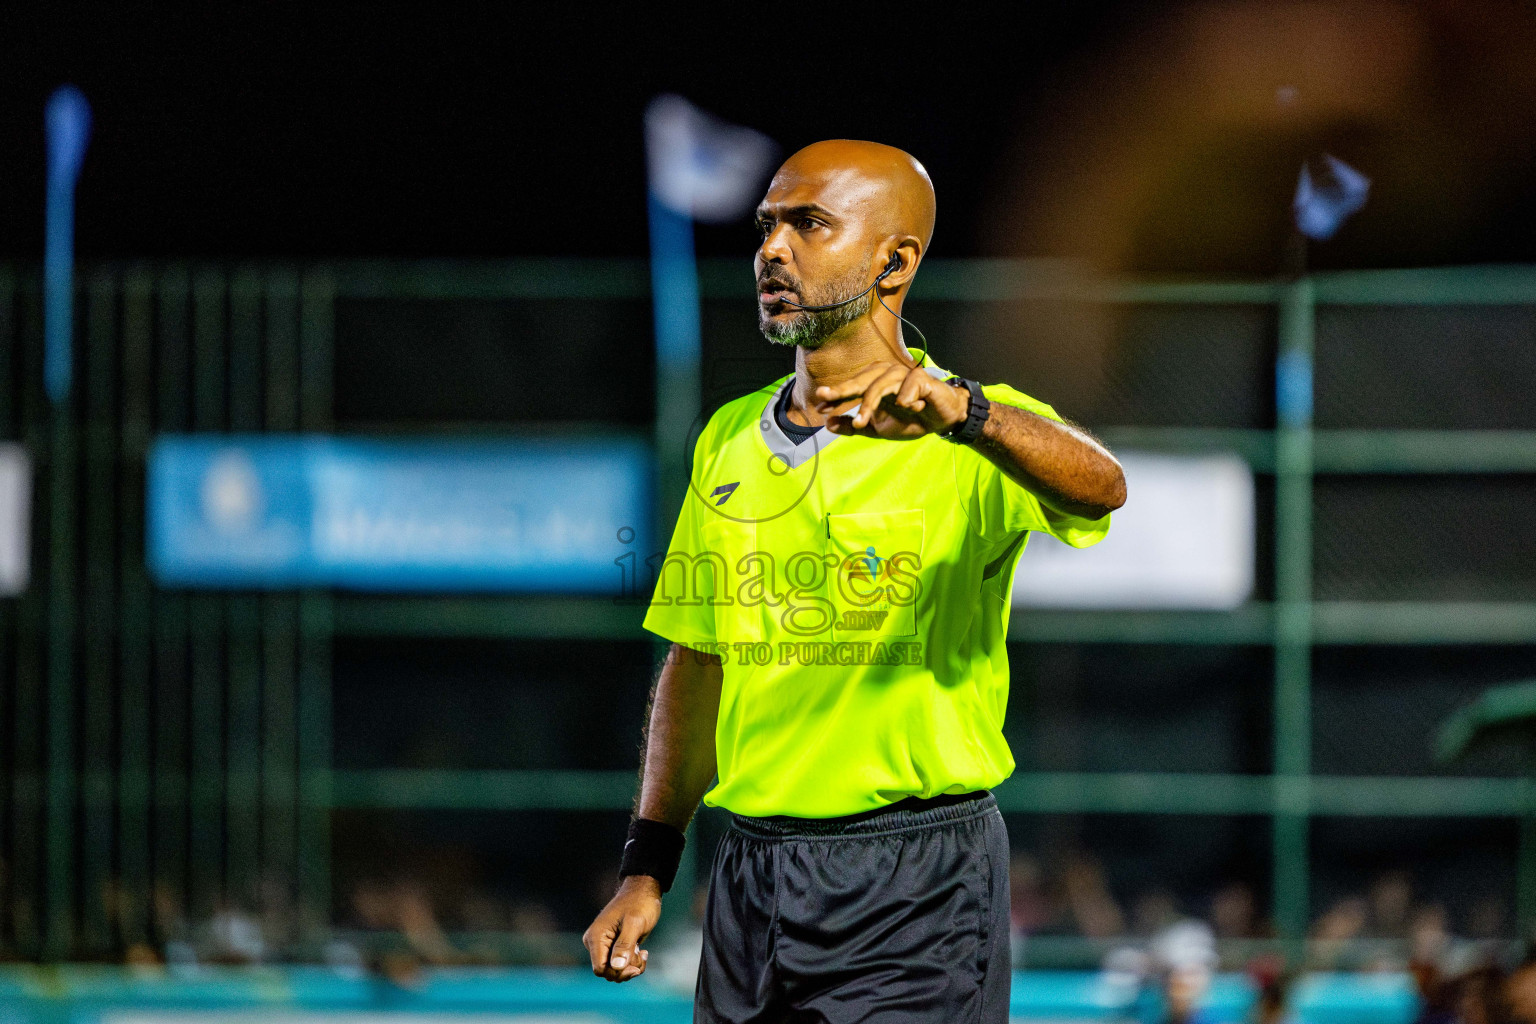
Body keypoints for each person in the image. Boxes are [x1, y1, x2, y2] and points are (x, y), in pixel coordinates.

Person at [582, 139, 1127, 1022]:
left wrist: (973, 416)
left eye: (809, 224)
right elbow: (696, 661)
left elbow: (1104, 485)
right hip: (750, 876)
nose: (771, 250)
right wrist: (646, 870)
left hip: (917, 879)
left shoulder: (968, 432)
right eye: (766, 227)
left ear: (894, 261)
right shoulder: (726, 437)